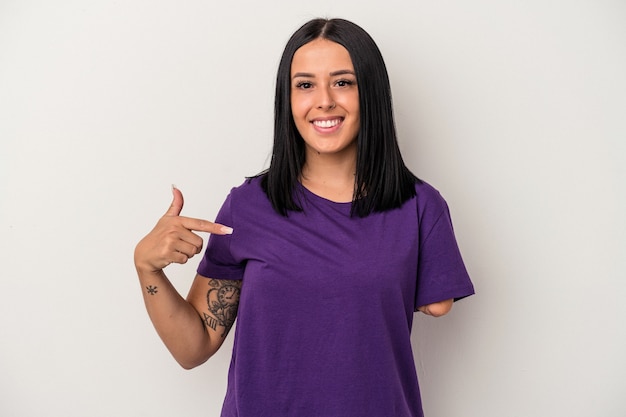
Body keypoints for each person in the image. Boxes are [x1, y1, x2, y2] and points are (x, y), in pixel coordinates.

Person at [134, 17, 474, 417]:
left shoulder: (419, 206)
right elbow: (193, 348)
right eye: (306, 84)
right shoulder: (248, 206)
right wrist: (148, 270)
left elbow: (438, 302)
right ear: (288, 99)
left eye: (343, 82)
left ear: (372, 93)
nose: (324, 100)